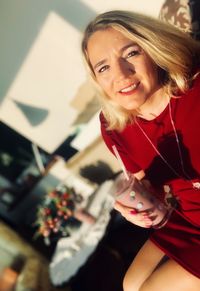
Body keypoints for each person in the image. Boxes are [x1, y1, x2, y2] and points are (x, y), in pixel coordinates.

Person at [81, 10, 200, 291]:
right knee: (130, 285)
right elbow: (152, 187)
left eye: (131, 53)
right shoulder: (113, 126)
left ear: (152, 48)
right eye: (103, 67)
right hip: (190, 215)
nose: (121, 75)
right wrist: (139, 207)